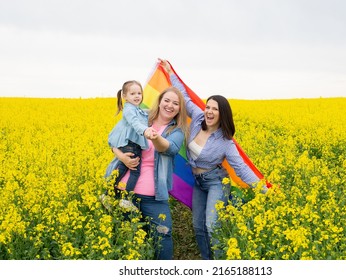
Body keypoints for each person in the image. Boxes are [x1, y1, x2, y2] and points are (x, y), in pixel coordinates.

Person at [159, 58, 267, 260]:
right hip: (198, 182)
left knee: (212, 225)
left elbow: (242, 169)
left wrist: (264, 190)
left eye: (214, 109)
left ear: (222, 114)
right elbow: (184, 97)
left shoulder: (226, 141)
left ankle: (219, 263)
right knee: (198, 226)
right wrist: (170, 72)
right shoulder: (199, 117)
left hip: (216, 181)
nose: (208, 111)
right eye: (208, 107)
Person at [105, 85, 188, 260]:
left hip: (154, 196)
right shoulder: (140, 117)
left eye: (175, 103)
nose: (170, 105)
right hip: (124, 190)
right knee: (126, 239)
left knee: (163, 236)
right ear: (159, 102)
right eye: (166, 100)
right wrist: (123, 157)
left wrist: (156, 137)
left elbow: (169, 149)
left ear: (180, 108)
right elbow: (115, 139)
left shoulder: (177, 131)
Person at [104, 80, 155, 209]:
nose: (137, 96)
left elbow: (144, 114)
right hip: (131, 144)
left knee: (122, 167)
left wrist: (157, 109)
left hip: (129, 144)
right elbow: (135, 122)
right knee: (135, 171)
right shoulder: (129, 110)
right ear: (125, 96)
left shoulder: (134, 109)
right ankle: (126, 200)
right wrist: (145, 130)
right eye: (133, 93)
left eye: (139, 93)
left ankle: (108, 193)